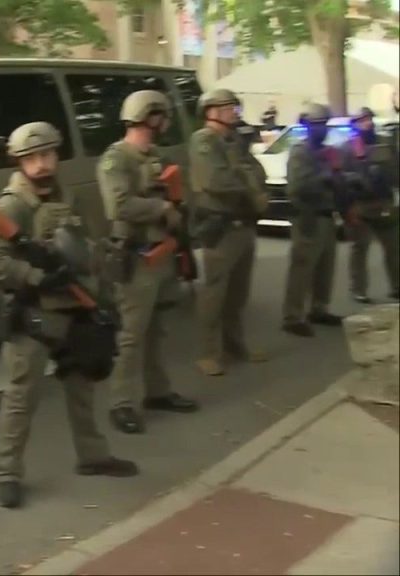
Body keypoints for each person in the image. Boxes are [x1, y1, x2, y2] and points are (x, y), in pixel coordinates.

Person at [0, 122, 138, 509]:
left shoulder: (72, 198)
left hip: (74, 312)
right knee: (21, 397)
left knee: (82, 387)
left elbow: (90, 250)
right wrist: (37, 277)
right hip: (33, 315)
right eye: (31, 158)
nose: (41, 164)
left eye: (47, 155)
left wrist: (104, 294)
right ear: (19, 161)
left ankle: (93, 455)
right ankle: (7, 473)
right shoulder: (11, 205)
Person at [97, 90, 199, 435]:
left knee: (159, 329)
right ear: (150, 117)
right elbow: (119, 206)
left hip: (163, 254)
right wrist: (162, 209)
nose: (166, 122)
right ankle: (121, 403)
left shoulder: (155, 156)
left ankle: (158, 391)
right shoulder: (116, 159)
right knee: (131, 335)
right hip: (137, 256)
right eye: (162, 116)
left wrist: (177, 214)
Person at [189, 89, 269, 377]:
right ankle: (208, 352)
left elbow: (259, 172)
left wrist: (246, 178)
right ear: (211, 111)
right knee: (214, 293)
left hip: (243, 224)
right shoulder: (204, 141)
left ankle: (235, 345)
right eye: (227, 107)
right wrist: (247, 185)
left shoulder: (234, 140)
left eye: (234, 107)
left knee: (238, 293)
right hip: (220, 227)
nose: (234, 112)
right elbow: (215, 181)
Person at [282, 103, 348, 337]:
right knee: (302, 269)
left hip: (327, 215)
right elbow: (298, 186)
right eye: (318, 125)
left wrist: (343, 177)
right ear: (308, 126)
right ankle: (292, 316)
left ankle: (319, 308)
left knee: (325, 267)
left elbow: (338, 179)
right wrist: (326, 175)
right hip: (307, 216)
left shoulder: (329, 151)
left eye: (325, 124)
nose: (322, 129)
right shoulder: (300, 152)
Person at [342, 107, 399, 303]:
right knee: (359, 249)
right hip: (360, 203)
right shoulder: (348, 147)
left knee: (393, 247)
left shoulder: (385, 144)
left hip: (384, 202)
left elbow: (396, 171)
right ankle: (358, 289)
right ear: (355, 124)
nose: (367, 123)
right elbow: (341, 178)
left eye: (368, 119)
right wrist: (348, 206)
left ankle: (397, 286)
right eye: (361, 120)